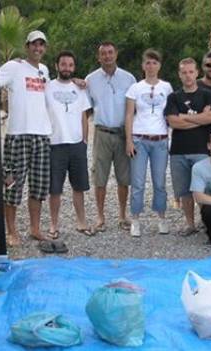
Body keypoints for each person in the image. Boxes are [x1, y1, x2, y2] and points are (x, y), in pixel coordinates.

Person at [0, 30, 52, 247]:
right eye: (34, 44)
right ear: (26, 46)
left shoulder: (44, 71)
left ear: (44, 48)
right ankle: (11, 232)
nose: (37, 48)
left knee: (39, 187)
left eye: (41, 45)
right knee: (12, 185)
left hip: (41, 136)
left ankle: (35, 229)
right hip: (17, 135)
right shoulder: (14, 66)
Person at [86, 41, 136, 232]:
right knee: (100, 176)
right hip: (102, 133)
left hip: (123, 133)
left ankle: (123, 215)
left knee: (124, 177)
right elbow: (86, 109)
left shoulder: (128, 78)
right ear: (98, 57)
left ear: (116, 54)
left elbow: (134, 108)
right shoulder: (90, 80)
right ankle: (100, 216)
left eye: (110, 52)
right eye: (103, 54)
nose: (107, 56)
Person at [45, 50, 95, 239]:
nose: (67, 68)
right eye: (63, 64)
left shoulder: (79, 89)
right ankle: (53, 225)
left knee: (79, 187)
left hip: (76, 145)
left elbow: (84, 115)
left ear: (74, 67)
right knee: (55, 189)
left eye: (70, 65)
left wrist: (84, 141)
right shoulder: (47, 87)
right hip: (54, 144)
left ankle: (81, 222)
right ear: (56, 66)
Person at [164, 58, 211, 236]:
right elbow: (173, 122)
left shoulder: (206, 95)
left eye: (190, 72)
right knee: (184, 190)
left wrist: (184, 117)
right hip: (178, 150)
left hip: (201, 149)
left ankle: (207, 220)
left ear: (196, 73)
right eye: (184, 72)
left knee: (202, 188)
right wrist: (199, 118)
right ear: (179, 74)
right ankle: (189, 223)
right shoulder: (173, 97)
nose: (187, 75)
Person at [125, 49, 173, 237]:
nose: (151, 66)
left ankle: (161, 217)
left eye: (154, 62)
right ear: (143, 66)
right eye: (147, 63)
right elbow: (129, 114)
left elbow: (170, 113)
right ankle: (135, 219)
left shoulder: (167, 87)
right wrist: (129, 140)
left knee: (159, 182)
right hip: (139, 140)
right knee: (137, 182)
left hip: (160, 140)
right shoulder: (135, 88)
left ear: (159, 66)